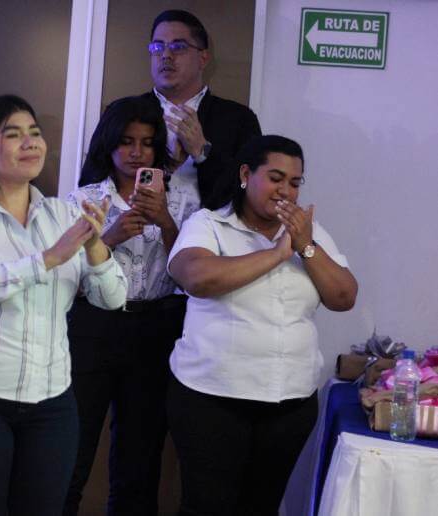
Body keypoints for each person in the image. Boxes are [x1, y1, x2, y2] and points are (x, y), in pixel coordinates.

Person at [0, 94, 127, 516]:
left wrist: (94, 246)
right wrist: (49, 258)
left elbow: (112, 299)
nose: (30, 142)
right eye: (13, 134)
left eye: (35, 133)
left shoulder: (63, 214)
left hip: (51, 399)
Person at [166, 135, 358, 516]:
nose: (286, 191)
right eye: (275, 178)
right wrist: (276, 255)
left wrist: (306, 247)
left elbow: (344, 297)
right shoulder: (209, 224)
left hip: (288, 403)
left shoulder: (310, 234)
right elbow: (196, 278)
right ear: (245, 175)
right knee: (206, 508)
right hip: (211, 399)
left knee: (261, 507)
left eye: (295, 182)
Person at [63, 95, 183, 515]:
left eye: (147, 143)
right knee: (72, 446)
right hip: (92, 324)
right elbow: (61, 274)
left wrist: (165, 220)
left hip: (155, 327)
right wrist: (109, 237)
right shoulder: (82, 199)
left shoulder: (180, 200)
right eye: (127, 142)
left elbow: (191, 272)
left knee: (140, 457)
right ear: (109, 144)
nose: (136, 153)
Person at [142, 9, 262, 207]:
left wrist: (202, 152)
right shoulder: (124, 114)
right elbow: (95, 180)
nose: (166, 55)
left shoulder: (239, 119)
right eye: (157, 47)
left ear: (203, 59)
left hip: (209, 226)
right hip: (138, 225)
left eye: (178, 47)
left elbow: (250, 193)